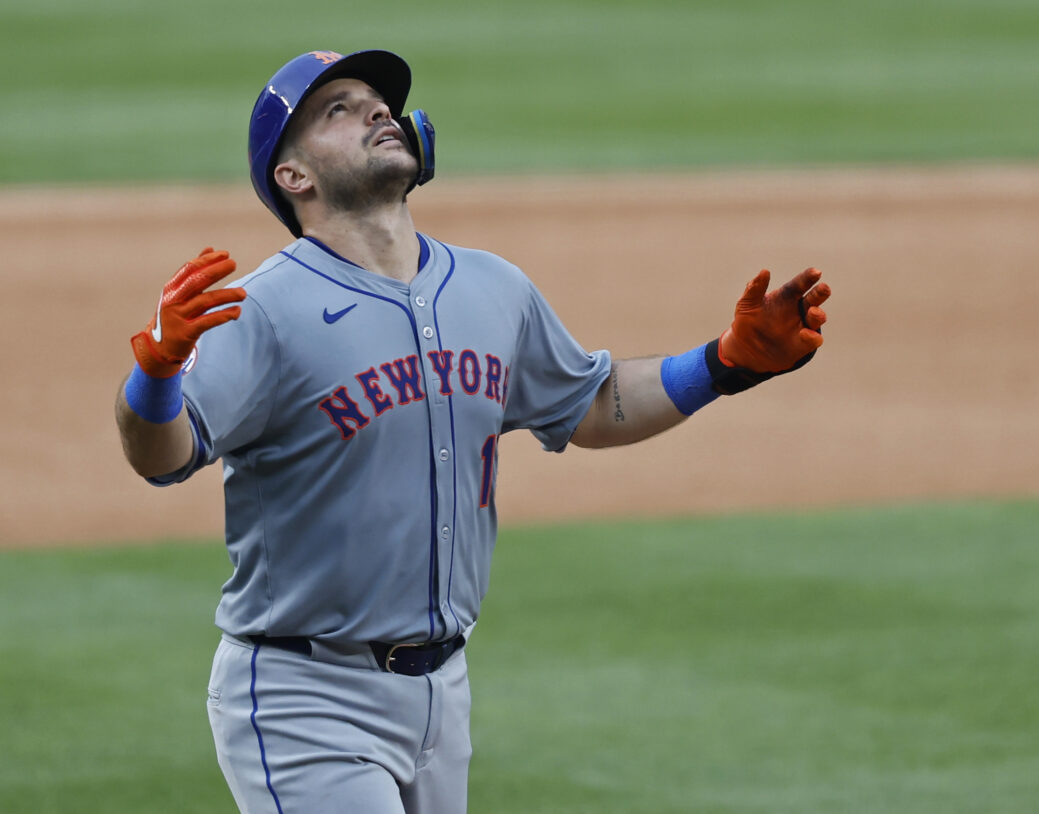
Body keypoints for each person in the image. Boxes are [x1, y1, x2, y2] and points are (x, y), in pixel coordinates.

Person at [114, 49, 831, 814]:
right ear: (295, 178)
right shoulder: (261, 309)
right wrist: (154, 376)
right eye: (339, 109)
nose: (377, 112)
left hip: (441, 694)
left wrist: (724, 364)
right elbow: (164, 455)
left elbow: (590, 404)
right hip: (305, 695)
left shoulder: (493, 286)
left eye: (378, 102)